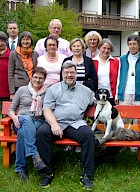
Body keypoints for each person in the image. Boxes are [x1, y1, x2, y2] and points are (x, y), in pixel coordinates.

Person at [36, 61, 95, 189]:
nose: (69, 75)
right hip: (57, 123)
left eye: (72, 72)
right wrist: (54, 125)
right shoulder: (53, 89)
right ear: (62, 73)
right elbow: (47, 109)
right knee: (41, 133)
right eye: (66, 72)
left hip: (75, 124)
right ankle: (47, 172)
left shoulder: (86, 91)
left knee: (89, 135)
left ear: (76, 74)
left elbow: (98, 101)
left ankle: (87, 174)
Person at [8, 67, 47, 181]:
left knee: (22, 134)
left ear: (44, 80)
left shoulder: (47, 92)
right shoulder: (22, 90)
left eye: (41, 78)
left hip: (38, 121)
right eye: (35, 77)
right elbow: (11, 109)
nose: (38, 80)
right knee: (25, 118)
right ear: (31, 77)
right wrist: (14, 117)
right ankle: (35, 155)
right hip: (20, 121)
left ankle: (20, 168)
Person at [8, 31, 38, 100]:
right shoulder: (13, 54)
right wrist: (12, 92)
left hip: (32, 86)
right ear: (20, 41)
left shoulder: (35, 54)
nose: (25, 41)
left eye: (27, 39)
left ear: (31, 41)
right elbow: (10, 74)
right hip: (18, 86)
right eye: (23, 39)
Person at [93, 38, 119, 106]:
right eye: (104, 48)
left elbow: (119, 79)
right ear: (99, 47)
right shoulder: (93, 62)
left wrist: (117, 95)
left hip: (111, 96)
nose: (106, 50)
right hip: (98, 97)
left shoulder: (116, 62)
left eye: (108, 48)